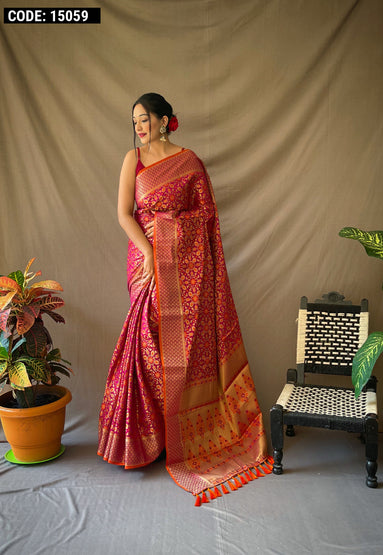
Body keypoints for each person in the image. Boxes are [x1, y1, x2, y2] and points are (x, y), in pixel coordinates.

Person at [98, 93, 271, 505]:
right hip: (145, 261)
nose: (138, 126)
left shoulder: (190, 162)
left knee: (181, 350)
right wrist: (150, 251)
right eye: (134, 121)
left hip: (187, 266)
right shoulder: (133, 160)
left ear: (164, 120)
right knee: (150, 344)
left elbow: (206, 218)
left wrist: (172, 233)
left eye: (144, 119)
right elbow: (124, 213)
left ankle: (174, 438)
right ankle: (149, 440)